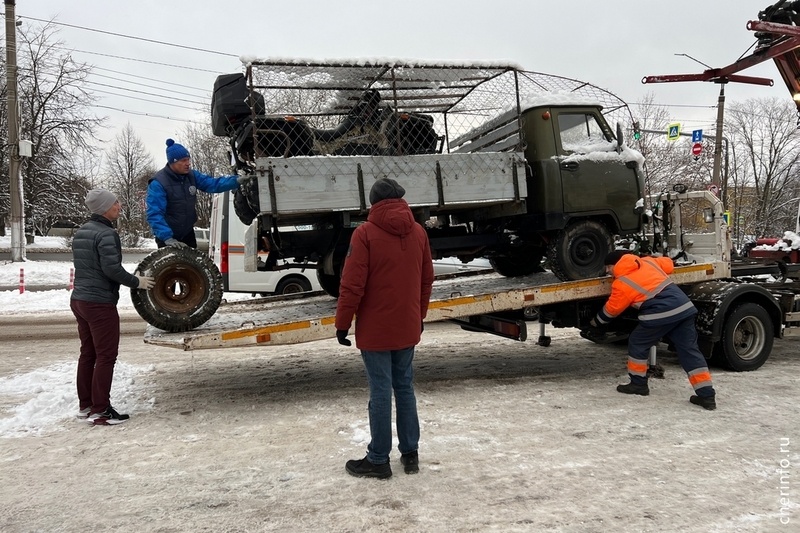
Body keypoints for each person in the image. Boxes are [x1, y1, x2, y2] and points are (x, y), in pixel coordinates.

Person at [335, 178, 435, 479]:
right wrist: (419, 315)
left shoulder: (365, 233)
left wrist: (342, 323)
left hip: (376, 331)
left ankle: (379, 459)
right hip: (407, 325)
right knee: (404, 388)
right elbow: (426, 279)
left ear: (373, 203)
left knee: (380, 392)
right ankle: (410, 453)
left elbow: (352, 284)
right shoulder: (418, 231)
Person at [590, 250, 717, 410]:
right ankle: (707, 396)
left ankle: (638, 384)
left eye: (608, 267)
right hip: (684, 308)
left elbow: (612, 310)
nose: (607, 271)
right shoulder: (648, 262)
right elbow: (668, 264)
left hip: (661, 313)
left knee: (637, 342)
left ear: (617, 264)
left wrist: (595, 323)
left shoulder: (622, 282)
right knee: (689, 351)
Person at [71, 189, 155, 425]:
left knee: (88, 354)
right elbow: (111, 270)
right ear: (104, 208)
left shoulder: (82, 232)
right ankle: (101, 410)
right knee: (106, 356)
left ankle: (86, 406)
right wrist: (137, 282)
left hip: (79, 300)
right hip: (99, 303)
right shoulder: (106, 233)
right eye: (115, 202)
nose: (119, 205)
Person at [146, 138, 248, 248]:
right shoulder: (159, 183)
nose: (188, 163)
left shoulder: (192, 176)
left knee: (192, 264)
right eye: (183, 160)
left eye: (188, 159)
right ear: (173, 162)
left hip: (187, 233)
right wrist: (167, 238)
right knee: (172, 265)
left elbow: (213, 184)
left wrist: (236, 181)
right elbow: (154, 213)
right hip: (167, 237)